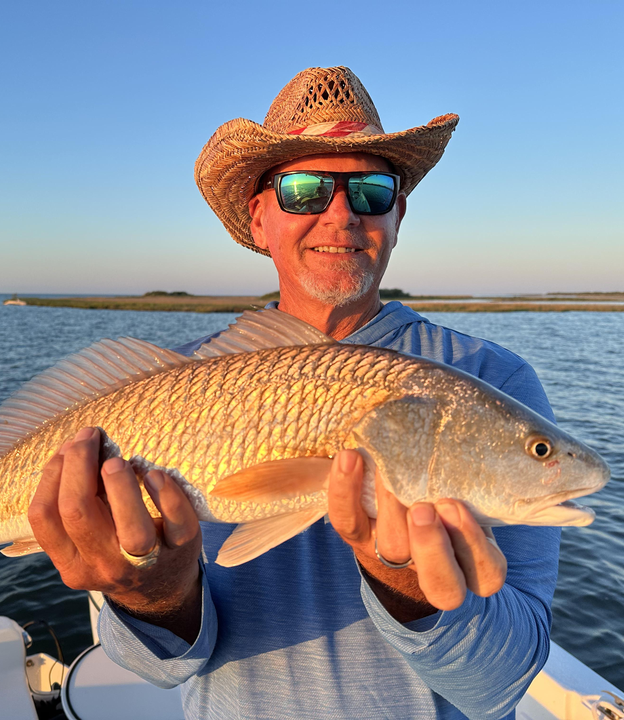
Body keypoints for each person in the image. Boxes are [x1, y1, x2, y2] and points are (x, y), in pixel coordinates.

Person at [28, 67, 560, 720]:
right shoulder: (166, 386)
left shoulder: (490, 381)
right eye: (304, 189)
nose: (340, 214)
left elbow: (501, 684)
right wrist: (153, 596)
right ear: (259, 217)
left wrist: (415, 594)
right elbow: (152, 671)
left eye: (369, 190)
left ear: (397, 214)